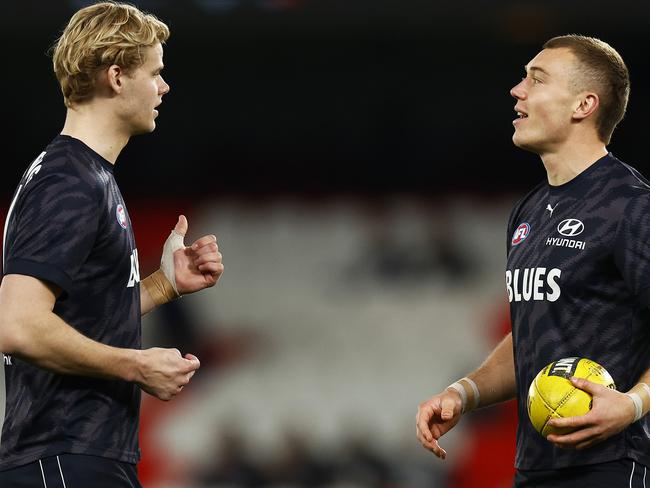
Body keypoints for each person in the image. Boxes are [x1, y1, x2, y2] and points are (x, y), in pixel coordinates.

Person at [0, 2, 224, 486]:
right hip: (62, 455)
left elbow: (80, 314)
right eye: (155, 72)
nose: (164, 86)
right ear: (117, 76)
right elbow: (18, 326)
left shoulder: (86, 176)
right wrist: (136, 364)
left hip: (82, 455)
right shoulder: (68, 181)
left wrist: (165, 286)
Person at [416, 35, 650, 487]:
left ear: (583, 104)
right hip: (533, 469)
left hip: (611, 467)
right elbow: (532, 333)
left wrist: (633, 403)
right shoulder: (527, 212)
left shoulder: (631, 206)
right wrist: (463, 393)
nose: (517, 90)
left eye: (536, 79)